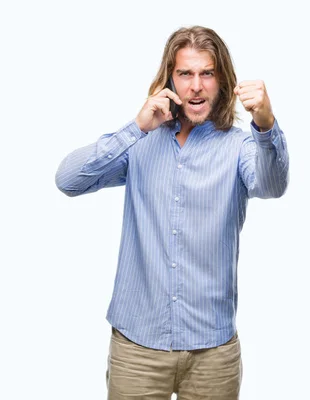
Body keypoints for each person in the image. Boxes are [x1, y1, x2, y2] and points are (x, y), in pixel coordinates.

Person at [55, 25, 289, 400]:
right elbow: (68, 179)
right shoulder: (140, 143)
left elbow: (272, 185)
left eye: (207, 73)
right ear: (170, 80)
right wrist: (137, 127)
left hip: (213, 353)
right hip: (137, 349)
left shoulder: (240, 147)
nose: (196, 85)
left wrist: (265, 123)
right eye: (185, 74)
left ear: (223, 81)